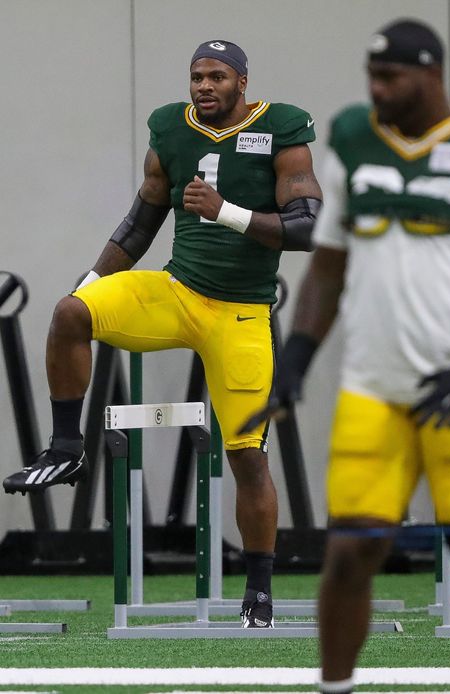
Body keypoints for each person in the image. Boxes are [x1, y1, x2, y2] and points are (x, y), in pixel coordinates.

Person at [241, 18, 450, 694]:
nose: (377, 90)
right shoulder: (357, 141)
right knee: (350, 553)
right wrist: (296, 356)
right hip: (372, 389)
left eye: (392, 77)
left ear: (432, 74)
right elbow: (328, 265)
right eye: (371, 76)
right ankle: (335, 687)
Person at [2, 39, 322, 629]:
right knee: (70, 313)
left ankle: (258, 589)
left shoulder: (281, 127)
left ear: (241, 82)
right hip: (177, 292)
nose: (204, 86)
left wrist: (225, 211)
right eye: (196, 76)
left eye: (217, 76)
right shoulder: (171, 128)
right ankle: (68, 449)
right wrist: (94, 281)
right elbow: (142, 219)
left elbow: (306, 228)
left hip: (241, 311)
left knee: (247, 456)